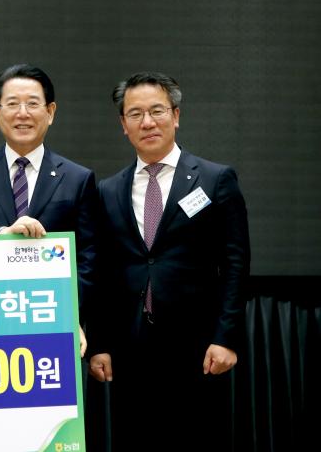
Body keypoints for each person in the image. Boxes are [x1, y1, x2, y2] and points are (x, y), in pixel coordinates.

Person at [86, 71, 250, 451]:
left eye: (157, 111)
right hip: (130, 348)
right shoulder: (108, 190)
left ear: (175, 115)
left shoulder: (215, 179)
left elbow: (236, 264)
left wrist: (225, 338)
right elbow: (103, 272)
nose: (147, 122)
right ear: (123, 124)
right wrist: (100, 344)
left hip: (199, 346)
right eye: (135, 114)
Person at [0, 64, 97, 355]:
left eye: (33, 104)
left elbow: (87, 258)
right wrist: (2, 234)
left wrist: (70, 314)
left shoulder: (78, 178)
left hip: (50, 319)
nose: (23, 113)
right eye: (12, 104)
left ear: (50, 112)